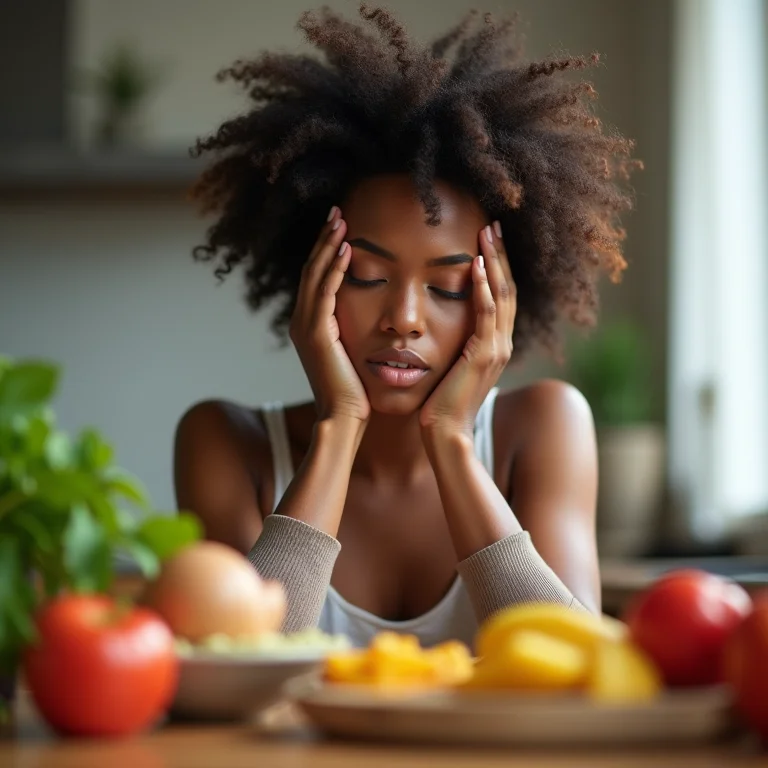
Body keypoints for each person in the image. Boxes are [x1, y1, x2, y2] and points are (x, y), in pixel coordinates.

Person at [174, 4, 641, 648]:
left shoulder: (544, 428)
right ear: (311, 276)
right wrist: (340, 426)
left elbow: (578, 661)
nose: (404, 320)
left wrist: (451, 439)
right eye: (366, 275)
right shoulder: (226, 444)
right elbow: (237, 663)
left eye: (449, 285)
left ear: (497, 298)